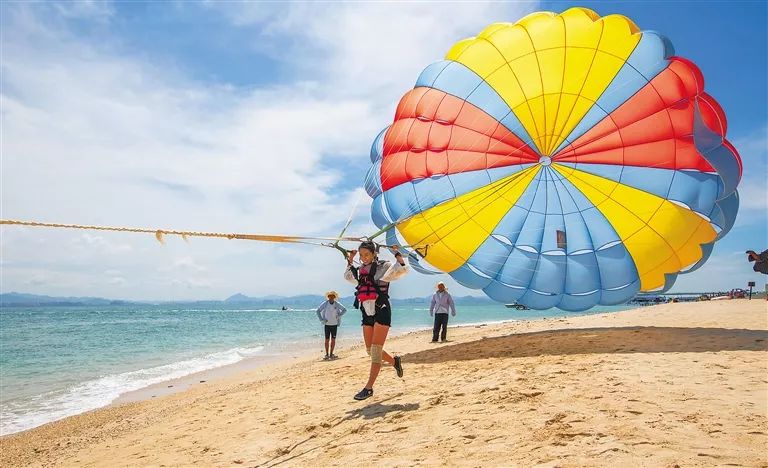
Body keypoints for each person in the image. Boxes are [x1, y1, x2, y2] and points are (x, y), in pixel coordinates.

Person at [344, 241, 408, 401]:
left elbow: (400, 270)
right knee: (369, 350)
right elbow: (348, 276)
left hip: (382, 310)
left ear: (374, 254)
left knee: (376, 351)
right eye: (361, 255)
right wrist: (350, 259)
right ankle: (395, 362)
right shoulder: (359, 271)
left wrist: (397, 253)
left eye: (367, 254)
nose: (364, 258)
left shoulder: (384, 267)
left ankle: (369, 388)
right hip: (366, 312)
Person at [316, 291, 347, 360]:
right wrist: (321, 320)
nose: (331, 298)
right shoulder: (325, 303)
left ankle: (331, 354)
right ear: (328, 297)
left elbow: (344, 310)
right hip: (327, 324)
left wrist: (339, 315)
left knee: (333, 340)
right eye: (330, 296)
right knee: (327, 340)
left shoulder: (337, 304)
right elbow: (318, 311)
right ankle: (326, 354)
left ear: (334, 297)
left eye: (333, 296)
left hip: (334, 324)